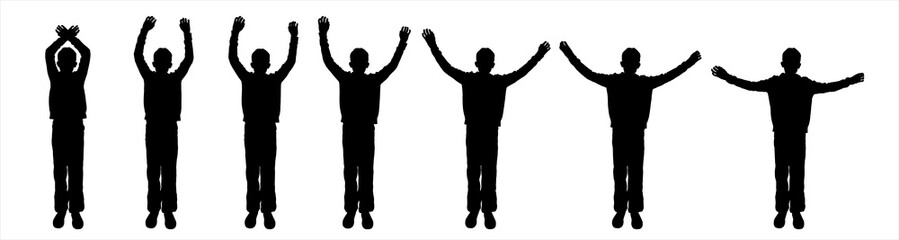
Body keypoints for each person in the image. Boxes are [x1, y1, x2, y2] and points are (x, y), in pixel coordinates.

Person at [711, 48, 863, 229]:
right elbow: (830, 86)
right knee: (792, 174)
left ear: (785, 64)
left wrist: (727, 77)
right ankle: (791, 211)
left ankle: (787, 210)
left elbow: (749, 85)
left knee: (785, 174)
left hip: (787, 136)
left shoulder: (781, 83)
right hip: (793, 136)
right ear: (797, 65)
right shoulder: (801, 84)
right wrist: (851, 81)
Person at [559, 42, 701, 229]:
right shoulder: (642, 83)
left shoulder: (617, 81)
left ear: (622, 63)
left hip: (622, 132)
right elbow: (670, 75)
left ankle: (624, 210)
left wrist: (568, 53)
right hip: (633, 133)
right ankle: (631, 210)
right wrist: (690, 62)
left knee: (622, 172)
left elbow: (586, 72)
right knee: (633, 173)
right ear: (637, 65)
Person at [422, 29, 550, 229]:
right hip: (486, 132)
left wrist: (433, 45)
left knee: (476, 172)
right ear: (492, 64)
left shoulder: (472, 79)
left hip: (478, 131)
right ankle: (483, 210)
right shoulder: (496, 81)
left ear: (478, 63)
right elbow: (522, 71)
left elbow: (446, 67)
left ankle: (478, 210)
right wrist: (538, 56)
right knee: (486, 172)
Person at [318, 16, 410, 229]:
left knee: (355, 171)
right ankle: (359, 210)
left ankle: (357, 210)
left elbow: (328, 60)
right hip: (360, 128)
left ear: (354, 63)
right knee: (360, 171)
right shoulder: (368, 79)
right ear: (365, 64)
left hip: (356, 128)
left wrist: (323, 35)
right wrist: (401, 43)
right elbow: (391, 66)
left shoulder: (349, 78)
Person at [229, 16, 298, 229]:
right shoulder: (267, 79)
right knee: (262, 171)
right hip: (261, 128)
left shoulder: (254, 78)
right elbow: (289, 63)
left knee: (259, 171)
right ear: (267, 64)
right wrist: (293, 38)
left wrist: (235, 33)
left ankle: (261, 211)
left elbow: (233, 59)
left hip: (260, 128)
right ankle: (261, 211)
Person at [134, 16, 193, 229]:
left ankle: (165, 210)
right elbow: (137, 57)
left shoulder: (168, 78)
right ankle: (156, 210)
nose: (161, 64)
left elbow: (188, 60)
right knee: (157, 171)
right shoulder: (156, 77)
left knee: (166, 171)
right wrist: (186, 34)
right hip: (158, 128)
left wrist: (145, 31)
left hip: (166, 127)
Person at [46, 24, 90, 229]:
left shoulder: (74, 77)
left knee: (73, 170)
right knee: (62, 171)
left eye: (68, 61)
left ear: (72, 63)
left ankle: (72, 211)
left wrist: (67, 38)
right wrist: (69, 38)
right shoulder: (63, 77)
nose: (66, 63)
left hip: (72, 126)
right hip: (64, 126)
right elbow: (49, 53)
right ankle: (64, 210)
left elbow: (86, 53)